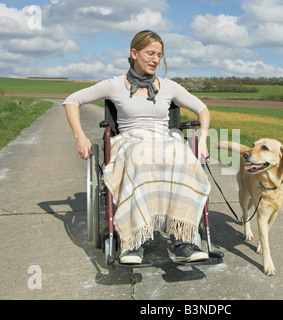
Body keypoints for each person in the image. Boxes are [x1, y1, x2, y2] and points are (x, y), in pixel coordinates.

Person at [63, 30, 211, 264]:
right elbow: (72, 100)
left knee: (185, 158)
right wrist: (80, 137)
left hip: (164, 140)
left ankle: (183, 238)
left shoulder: (169, 86)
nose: (155, 60)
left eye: (159, 55)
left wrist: (202, 141)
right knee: (138, 157)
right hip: (131, 140)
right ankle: (135, 241)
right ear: (134, 53)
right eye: (150, 53)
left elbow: (202, 109)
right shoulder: (114, 85)